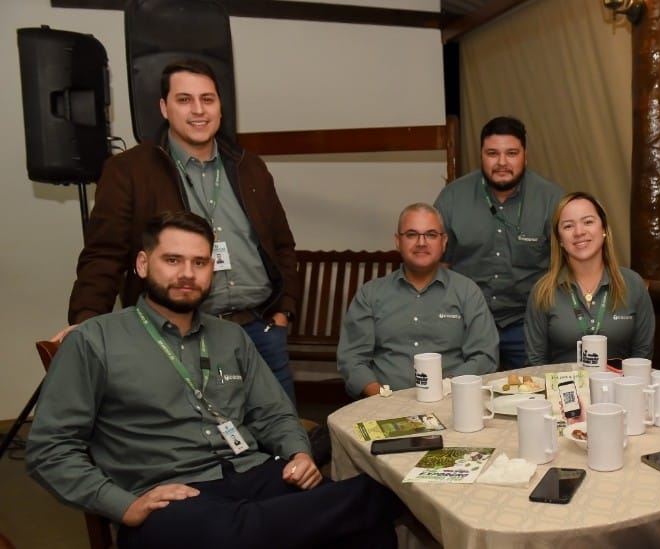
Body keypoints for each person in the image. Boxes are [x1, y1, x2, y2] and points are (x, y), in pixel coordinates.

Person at [26, 212, 401, 549]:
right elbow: (50, 450)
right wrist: (124, 506)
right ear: (142, 264)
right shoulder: (95, 340)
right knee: (247, 531)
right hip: (170, 497)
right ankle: (369, 498)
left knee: (365, 534)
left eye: (199, 262)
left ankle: (357, 502)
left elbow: (275, 413)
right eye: (172, 260)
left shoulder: (231, 337)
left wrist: (299, 453)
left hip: (251, 472)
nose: (187, 273)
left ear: (212, 269)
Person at [56, 59, 299, 403]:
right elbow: (104, 255)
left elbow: (282, 247)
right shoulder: (129, 171)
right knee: (192, 444)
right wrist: (86, 319)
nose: (198, 110)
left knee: (283, 442)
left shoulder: (250, 167)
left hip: (260, 332)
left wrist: (283, 312)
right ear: (164, 108)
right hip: (179, 335)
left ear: (220, 106)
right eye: (184, 100)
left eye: (208, 99)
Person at [434, 116, 565, 369]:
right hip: (467, 322)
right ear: (481, 156)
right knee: (463, 398)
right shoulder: (452, 197)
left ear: (525, 156)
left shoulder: (551, 199)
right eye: (492, 153)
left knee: (529, 396)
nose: (502, 162)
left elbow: (567, 266)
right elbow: (440, 265)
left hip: (528, 322)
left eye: (511, 153)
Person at [337, 203, 499, 398]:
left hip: (451, 401)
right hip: (383, 404)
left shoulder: (467, 292)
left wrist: (446, 389)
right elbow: (352, 359)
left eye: (431, 235)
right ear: (398, 241)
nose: (421, 242)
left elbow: (485, 356)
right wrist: (379, 397)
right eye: (412, 234)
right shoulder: (370, 294)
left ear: (444, 241)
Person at [524, 192, 655, 365]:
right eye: (568, 226)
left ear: (603, 230)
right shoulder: (543, 291)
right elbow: (536, 361)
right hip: (562, 390)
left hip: (621, 389)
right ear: (560, 239)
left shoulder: (633, 284)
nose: (579, 232)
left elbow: (642, 353)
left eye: (588, 222)